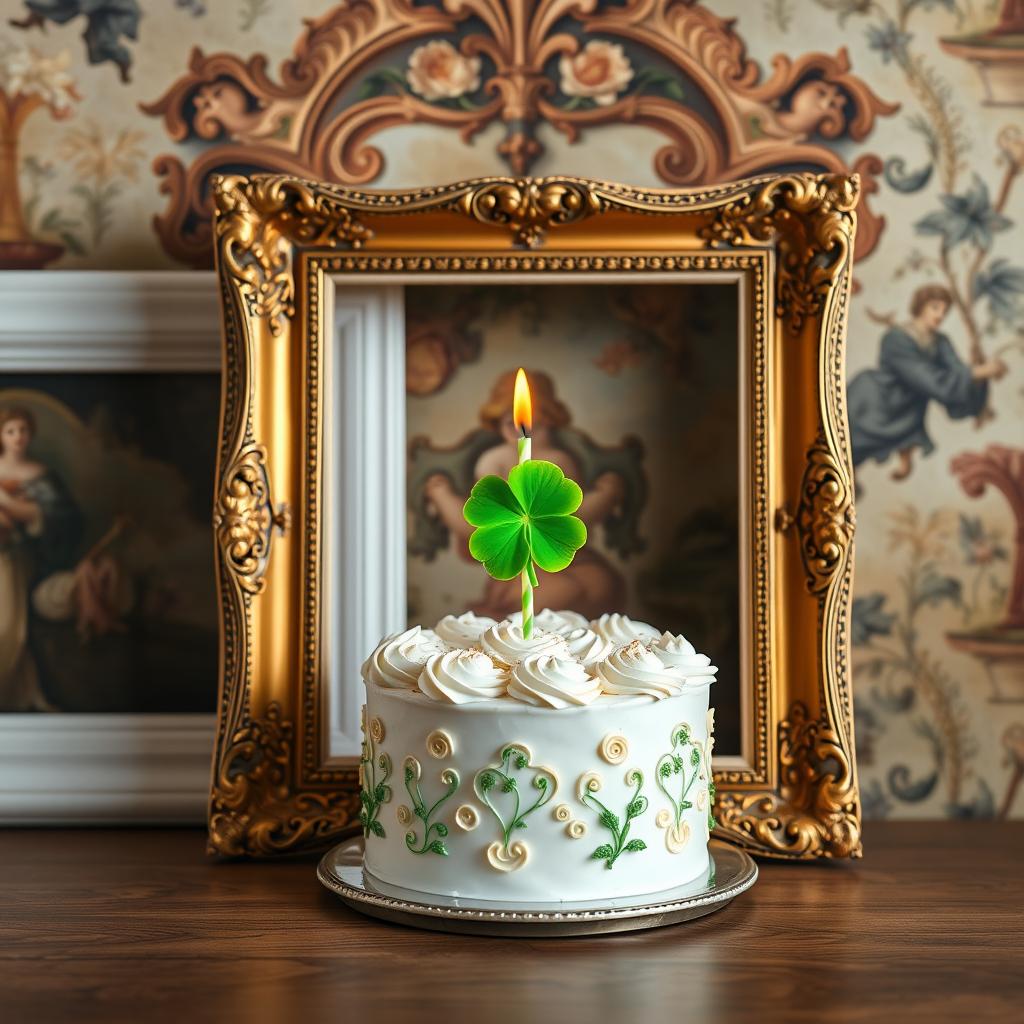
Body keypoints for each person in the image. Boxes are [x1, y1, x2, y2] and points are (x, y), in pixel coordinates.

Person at [422, 369, 627, 619]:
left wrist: (604, 497)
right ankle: (505, 624)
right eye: (507, 423)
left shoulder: (559, 460)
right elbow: (482, 520)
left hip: (565, 559)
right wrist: (443, 496)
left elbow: (572, 515)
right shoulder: (494, 460)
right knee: (549, 593)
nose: (519, 430)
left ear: (549, 419)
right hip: (518, 563)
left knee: (601, 584)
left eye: (533, 424)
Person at [848, 285, 1007, 481]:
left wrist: (981, 375)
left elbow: (957, 371)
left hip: (908, 409)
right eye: (934, 307)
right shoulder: (896, 339)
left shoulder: (940, 341)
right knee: (848, 448)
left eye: (944, 310)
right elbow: (929, 380)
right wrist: (980, 371)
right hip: (875, 401)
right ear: (921, 306)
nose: (940, 315)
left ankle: (902, 457)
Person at [0, 407, 80, 711]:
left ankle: (16, 695)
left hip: (16, 561)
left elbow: (62, 520)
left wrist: (9, 504)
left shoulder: (41, 475)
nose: (17, 437)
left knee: (10, 629)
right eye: (10, 431)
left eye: (22, 430)